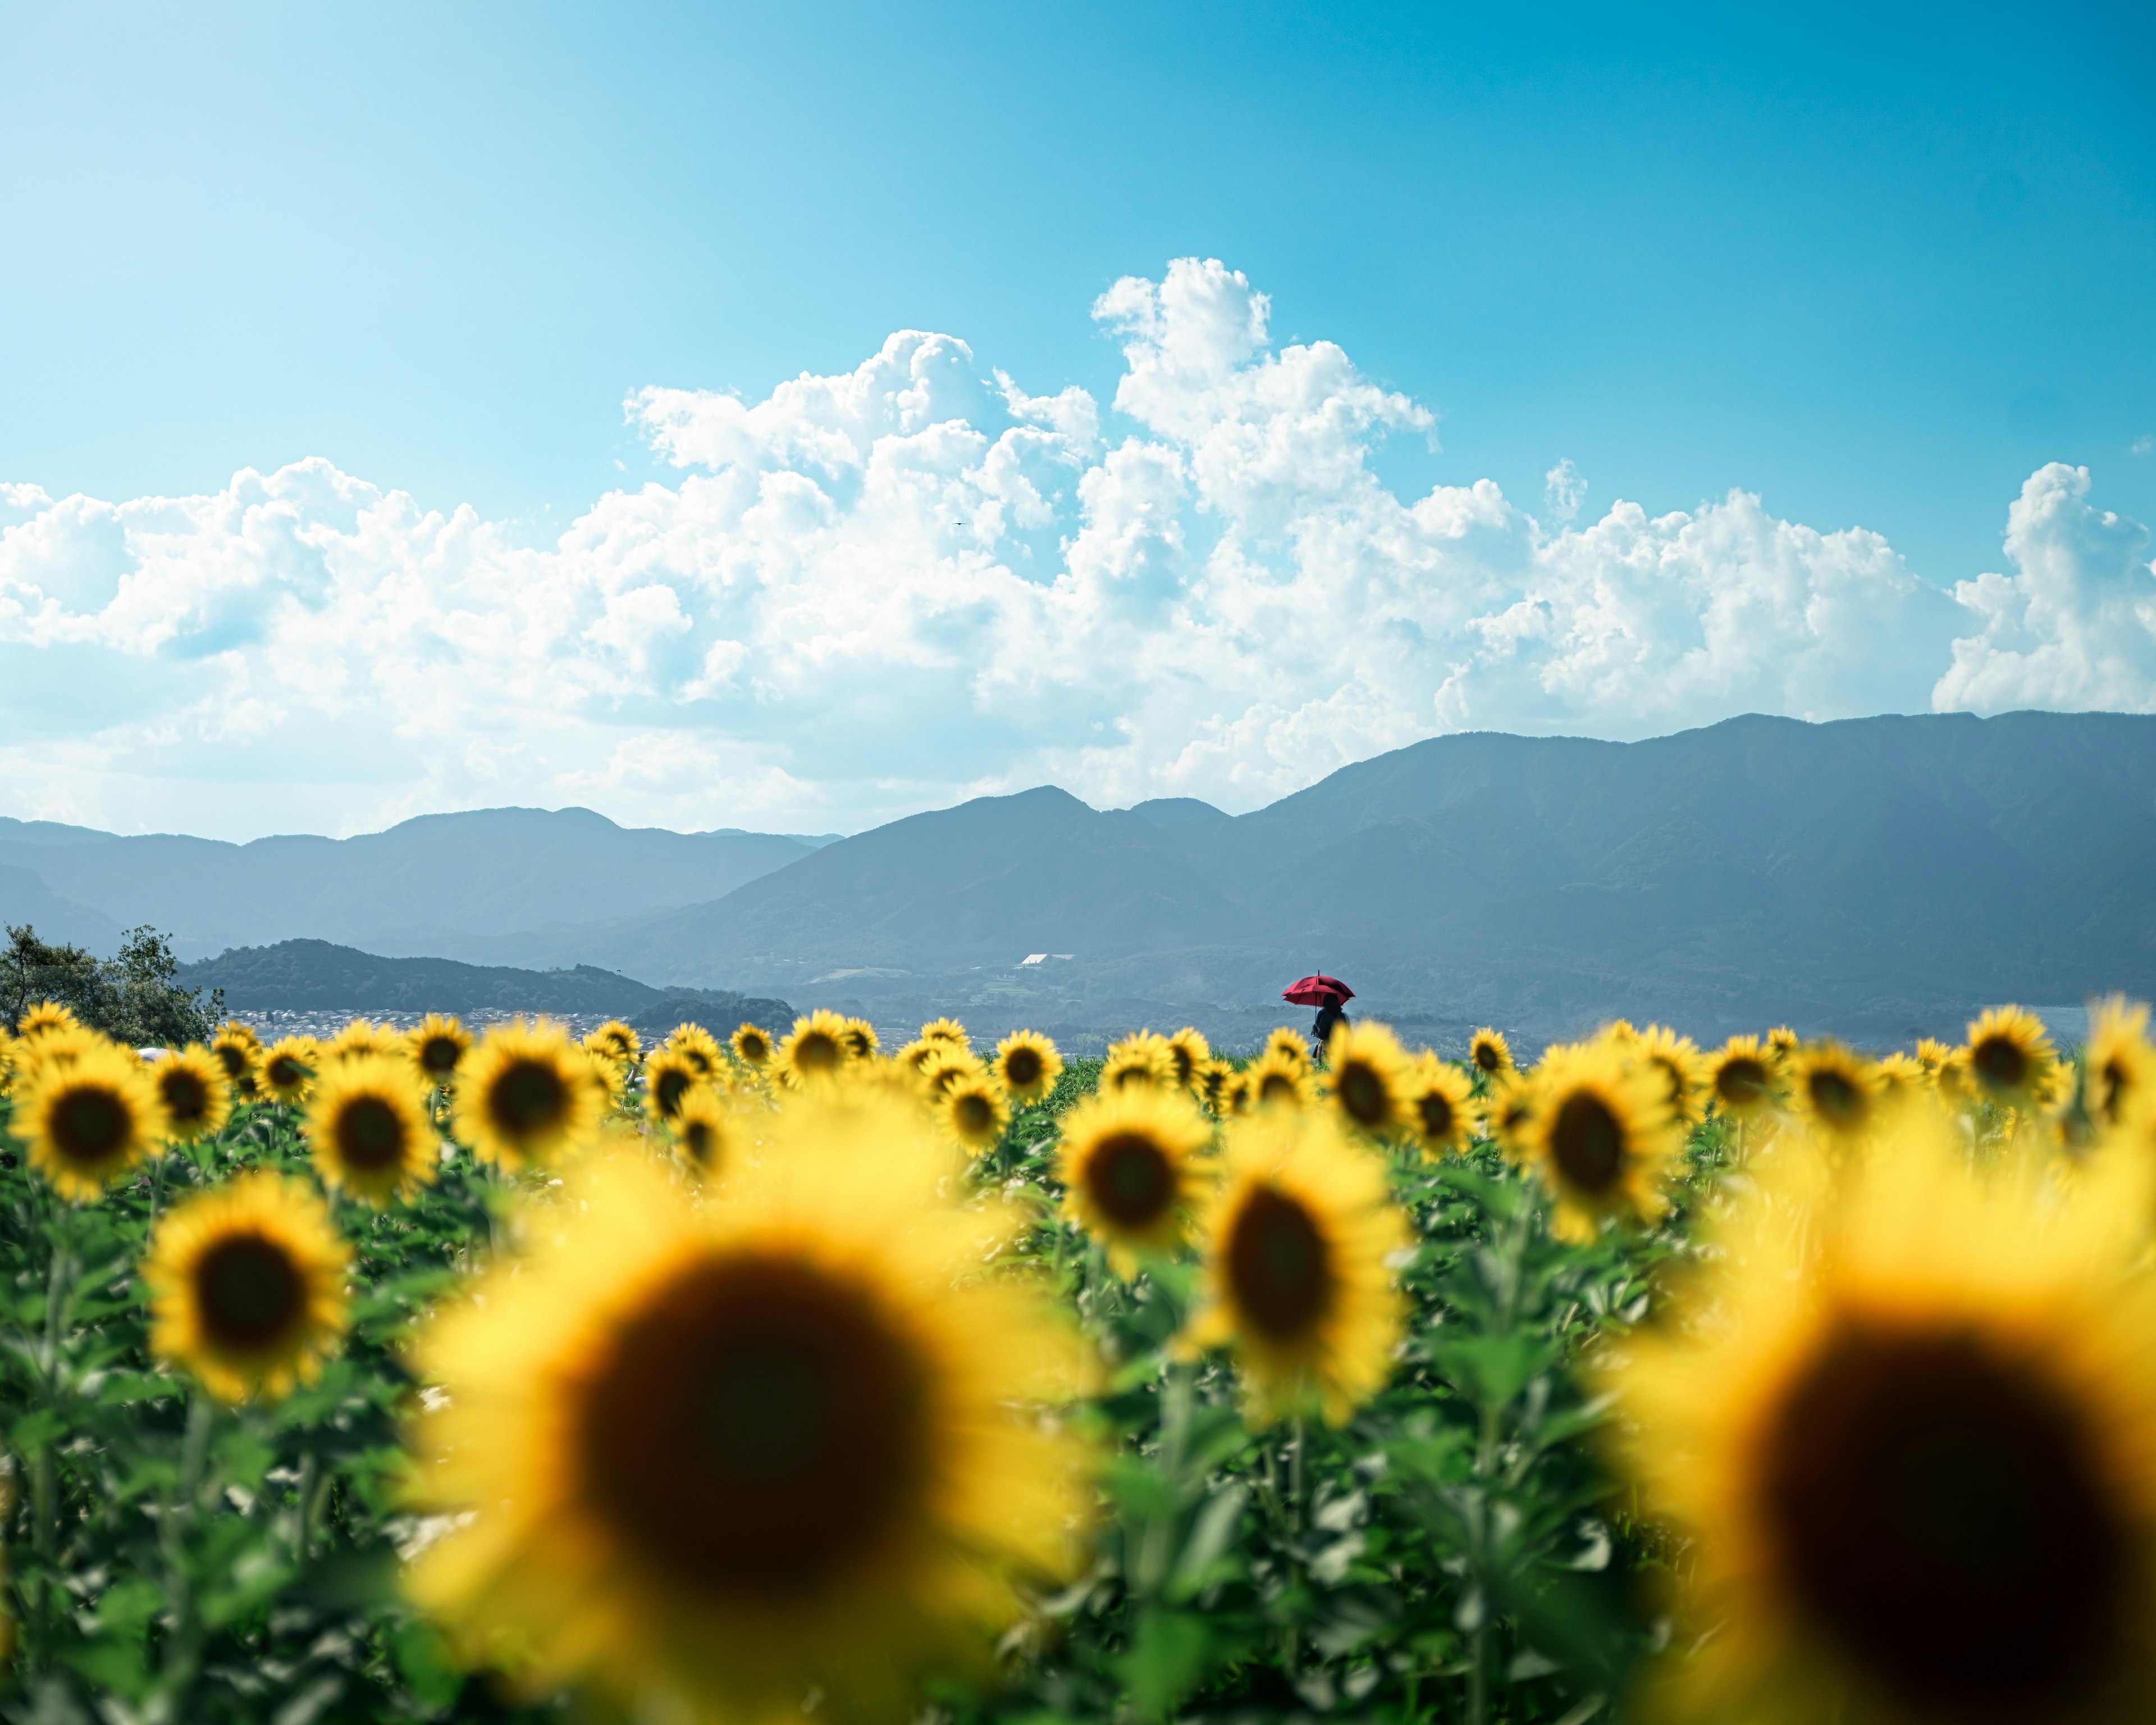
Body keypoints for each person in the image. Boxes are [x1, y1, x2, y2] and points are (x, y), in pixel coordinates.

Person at [1310, 995, 1349, 1062]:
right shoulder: (1342, 1016)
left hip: (1327, 1048)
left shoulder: (1325, 1017)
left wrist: (1315, 1030)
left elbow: (1322, 1036)